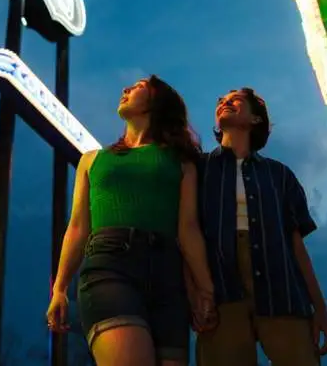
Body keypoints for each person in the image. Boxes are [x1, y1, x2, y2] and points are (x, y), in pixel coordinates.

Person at [46, 75, 216, 366]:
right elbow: (77, 226)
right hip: (110, 267)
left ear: (157, 101)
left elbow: (188, 229)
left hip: (168, 275)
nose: (125, 89)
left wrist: (205, 289)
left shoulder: (181, 161)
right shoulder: (93, 160)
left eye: (137, 87)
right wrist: (59, 288)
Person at [189, 87, 327, 366]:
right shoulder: (198, 168)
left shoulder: (279, 174)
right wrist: (194, 293)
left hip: (282, 291)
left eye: (235, 100)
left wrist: (321, 309)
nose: (224, 102)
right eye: (220, 100)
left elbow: (296, 247)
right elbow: (186, 232)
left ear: (256, 119)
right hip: (221, 294)